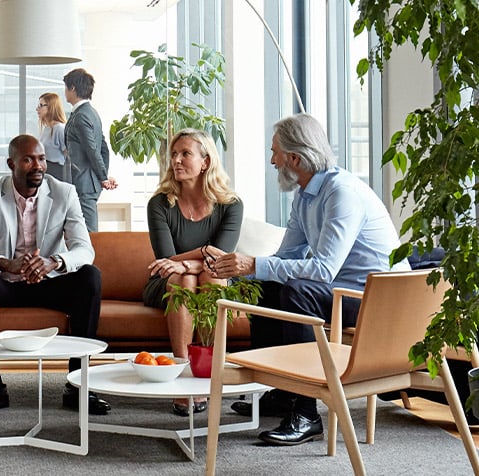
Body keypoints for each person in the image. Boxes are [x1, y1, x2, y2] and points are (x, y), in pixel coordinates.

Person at [211, 113, 410, 446]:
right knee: (268, 284)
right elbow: (285, 257)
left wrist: (254, 263)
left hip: (377, 301)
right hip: (347, 292)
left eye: (275, 152)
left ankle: (306, 412)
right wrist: (243, 267)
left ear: (295, 158)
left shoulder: (340, 193)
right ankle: (284, 391)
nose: (271, 160)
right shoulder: (304, 196)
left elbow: (323, 271)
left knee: (297, 292)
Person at [0, 134, 110, 416]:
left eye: (40, 159)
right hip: (7, 285)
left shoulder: (65, 192)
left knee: (90, 276)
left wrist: (54, 262)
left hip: (49, 283)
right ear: (11, 164)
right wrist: (5, 263)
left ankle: (77, 384)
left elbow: (85, 249)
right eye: (28, 159)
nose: (37, 165)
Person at [143, 129, 243, 417]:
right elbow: (165, 261)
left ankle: (204, 374)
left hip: (211, 276)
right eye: (174, 154)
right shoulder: (160, 204)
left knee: (210, 277)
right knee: (183, 278)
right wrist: (202, 253)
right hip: (166, 282)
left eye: (185, 153)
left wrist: (190, 262)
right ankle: (183, 376)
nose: (176, 160)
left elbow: (221, 260)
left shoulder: (230, 205)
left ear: (206, 162)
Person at [63, 68, 117, 232]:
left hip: (84, 182)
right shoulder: (90, 113)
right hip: (88, 181)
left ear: (72, 88)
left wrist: (103, 177)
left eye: (66, 88)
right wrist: (103, 176)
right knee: (79, 231)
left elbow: (93, 150)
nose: (64, 92)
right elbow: (103, 148)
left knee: (88, 233)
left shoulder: (81, 115)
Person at [36, 92, 70, 183]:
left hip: (56, 172)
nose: (37, 109)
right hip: (45, 171)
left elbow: (68, 155)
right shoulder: (46, 129)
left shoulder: (59, 129)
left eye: (41, 105)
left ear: (51, 107)